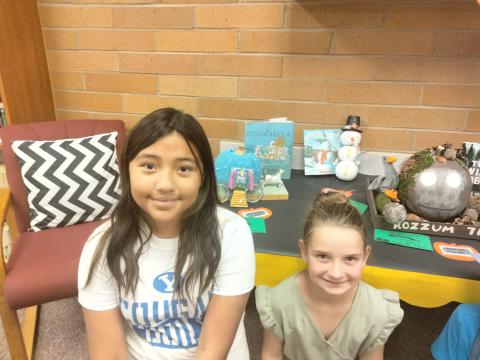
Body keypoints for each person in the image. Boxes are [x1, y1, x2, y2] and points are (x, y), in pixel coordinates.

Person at [77, 108, 256, 360]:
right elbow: (110, 354)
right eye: (149, 166)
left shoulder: (231, 233)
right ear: (127, 170)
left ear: (202, 176)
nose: (165, 185)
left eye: (183, 169)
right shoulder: (102, 246)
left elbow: (211, 351)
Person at [255, 190, 404, 360]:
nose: (336, 273)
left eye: (350, 258)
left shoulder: (376, 310)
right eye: (323, 256)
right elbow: (271, 354)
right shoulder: (279, 302)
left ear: (365, 256)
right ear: (304, 251)